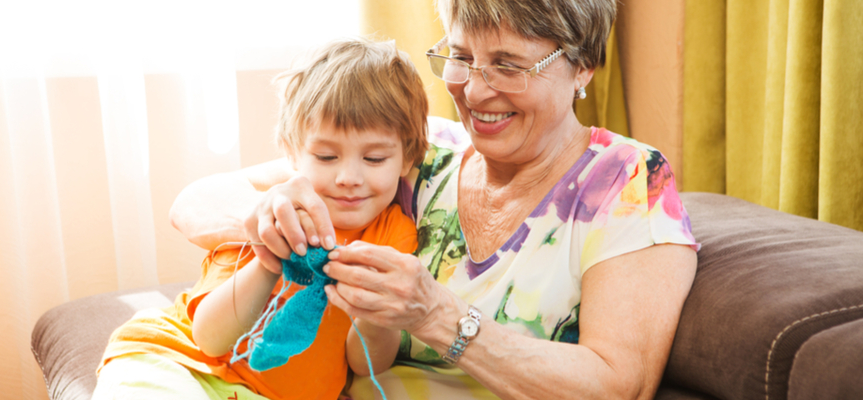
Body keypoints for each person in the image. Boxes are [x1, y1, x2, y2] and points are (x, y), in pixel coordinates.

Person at [170, 0, 701, 398]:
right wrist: (272, 220)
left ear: (582, 66)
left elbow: (617, 385)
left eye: (509, 65)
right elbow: (195, 202)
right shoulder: (422, 151)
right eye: (461, 56)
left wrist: (439, 316)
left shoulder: (627, 182)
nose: (473, 89)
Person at [92, 37, 429, 400]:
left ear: (407, 158)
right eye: (327, 157)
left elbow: (364, 364)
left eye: (375, 159)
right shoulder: (271, 212)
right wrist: (268, 261)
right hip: (178, 363)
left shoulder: (394, 233)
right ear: (293, 155)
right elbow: (208, 338)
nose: (349, 177)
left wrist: (378, 311)